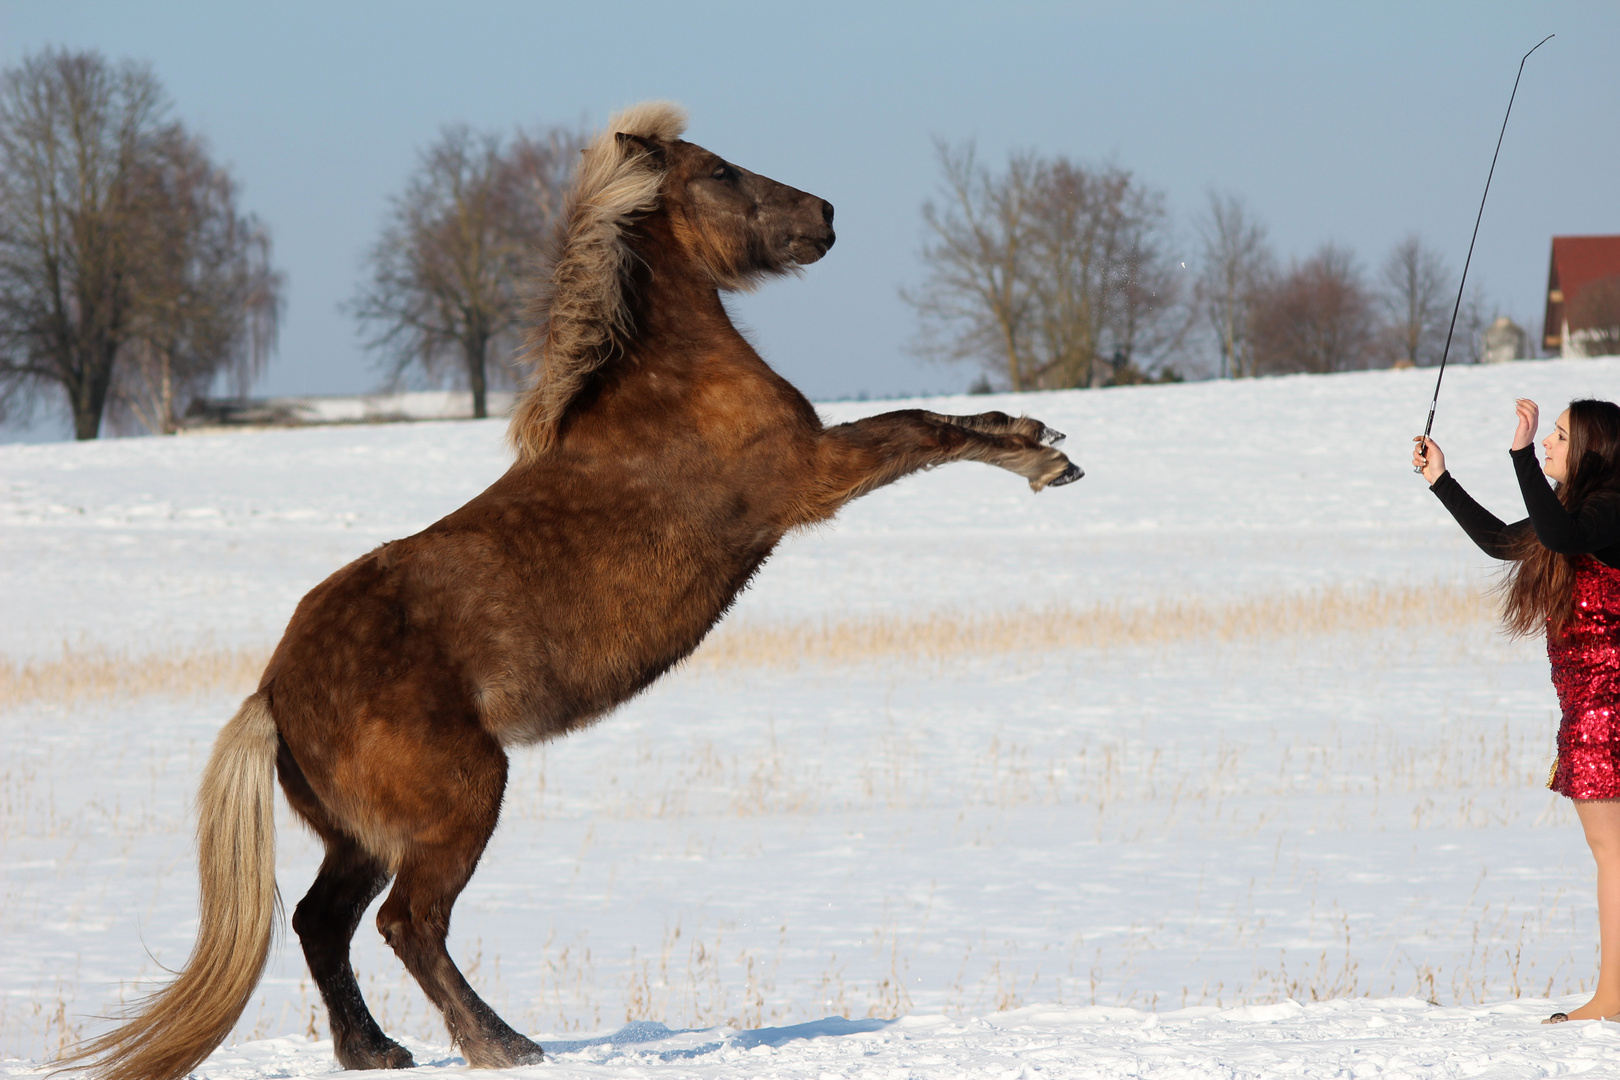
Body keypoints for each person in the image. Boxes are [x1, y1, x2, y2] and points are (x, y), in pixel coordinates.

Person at [1414, 397, 1620, 1023]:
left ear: (1589, 450)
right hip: (1590, 705)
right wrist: (1441, 481)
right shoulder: (1580, 512)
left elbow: (1555, 534)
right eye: (1549, 434)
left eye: (1559, 435)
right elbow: (1509, 541)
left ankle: (1611, 1000)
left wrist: (1520, 452)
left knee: (1611, 852)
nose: (1551, 442)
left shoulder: (1609, 510)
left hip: (1606, 708)